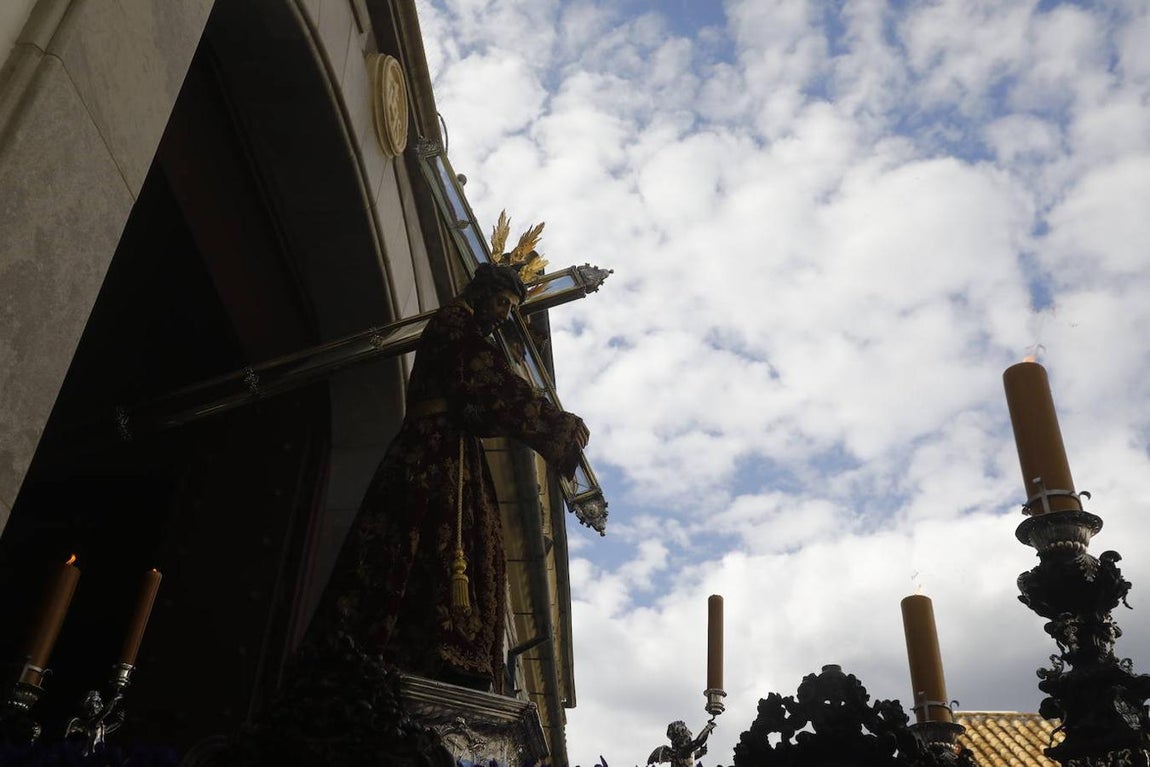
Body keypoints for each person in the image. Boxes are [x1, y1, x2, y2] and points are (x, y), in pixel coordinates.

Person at [302, 262, 589, 692]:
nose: (504, 314)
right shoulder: (455, 323)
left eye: (511, 307)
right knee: (424, 543)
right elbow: (490, 385)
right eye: (501, 302)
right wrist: (555, 425)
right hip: (430, 454)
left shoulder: (468, 333)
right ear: (481, 292)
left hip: (452, 447)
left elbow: (479, 406)